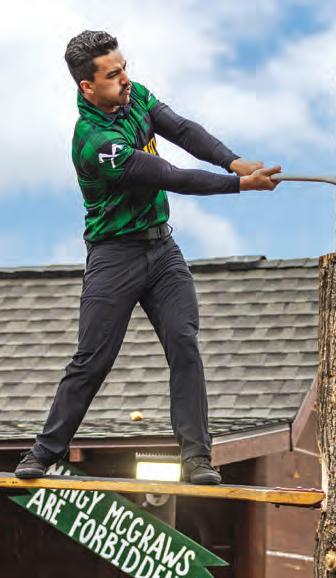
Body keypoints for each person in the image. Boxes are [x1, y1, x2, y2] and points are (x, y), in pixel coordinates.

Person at [15, 30, 280, 484]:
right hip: (114, 257)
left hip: (162, 251)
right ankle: (43, 452)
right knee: (92, 359)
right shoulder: (95, 141)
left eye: (124, 68)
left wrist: (233, 161)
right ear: (87, 87)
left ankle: (197, 459)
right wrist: (239, 185)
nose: (125, 79)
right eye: (112, 75)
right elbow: (170, 175)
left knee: (184, 344)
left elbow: (182, 130)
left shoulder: (134, 95)